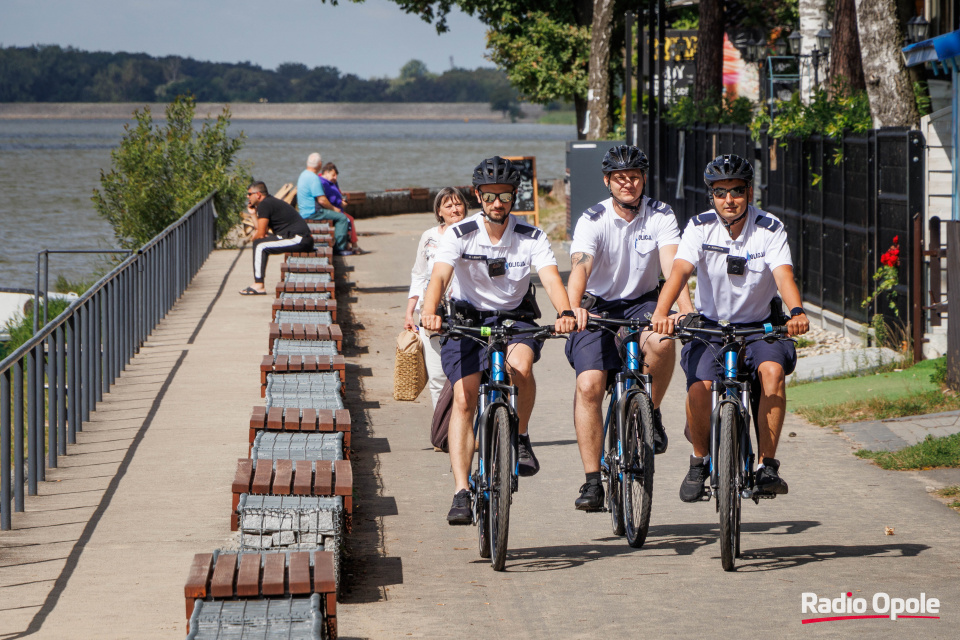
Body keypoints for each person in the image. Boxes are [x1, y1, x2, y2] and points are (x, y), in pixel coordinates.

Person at [420, 156, 577, 525]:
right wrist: (430, 313)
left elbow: (552, 278)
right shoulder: (460, 234)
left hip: (515, 318)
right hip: (467, 319)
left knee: (520, 367)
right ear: (478, 196)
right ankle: (461, 490)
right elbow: (440, 277)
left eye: (504, 196)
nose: (497, 204)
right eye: (489, 196)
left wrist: (566, 311)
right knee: (464, 397)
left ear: (514, 197)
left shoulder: (531, 236)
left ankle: (520, 436)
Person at [650, 154, 810, 501]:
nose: (729, 200)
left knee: (772, 373)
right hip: (711, 327)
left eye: (737, 191)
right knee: (699, 388)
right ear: (712, 196)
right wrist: (662, 312)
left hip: (760, 326)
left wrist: (796, 311)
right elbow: (679, 272)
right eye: (720, 192)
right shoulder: (699, 226)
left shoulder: (769, 227)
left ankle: (767, 466)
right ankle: (699, 461)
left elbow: (783, 275)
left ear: (749, 192)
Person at [565, 144, 695, 511]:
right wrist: (572, 308)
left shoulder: (660, 214)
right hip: (598, 308)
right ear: (608, 181)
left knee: (664, 341)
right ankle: (592, 482)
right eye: (620, 178)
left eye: (635, 176)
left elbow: (674, 267)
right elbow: (580, 268)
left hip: (644, 302)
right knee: (589, 385)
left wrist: (683, 310)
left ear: (643, 179)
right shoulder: (593, 219)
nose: (628, 184)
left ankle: (649, 411)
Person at [404, 187, 468, 408]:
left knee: (467, 377)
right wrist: (410, 311)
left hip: (466, 312)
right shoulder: (429, 237)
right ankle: (442, 436)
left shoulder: (474, 234)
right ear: (439, 211)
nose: (454, 209)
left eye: (458, 204)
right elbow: (419, 274)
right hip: (432, 314)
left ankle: (467, 432)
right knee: (438, 378)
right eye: (448, 205)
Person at [240, 181, 314, 295]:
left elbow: (260, 233)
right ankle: (258, 283)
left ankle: (259, 284)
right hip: (295, 238)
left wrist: (258, 236)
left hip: (299, 239)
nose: (247, 196)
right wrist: (253, 214)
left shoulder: (265, 204)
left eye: (249, 194)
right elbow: (261, 230)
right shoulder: (267, 203)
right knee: (260, 242)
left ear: (258, 194)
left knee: (260, 245)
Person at [296, 153, 352, 255]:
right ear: (319, 164)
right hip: (313, 212)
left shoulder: (303, 175)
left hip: (303, 211)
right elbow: (322, 200)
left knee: (337, 217)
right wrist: (335, 209)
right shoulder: (314, 178)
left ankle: (338, 243)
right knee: (342, 218)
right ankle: (339, 248)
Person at [319, 162, 360, 250]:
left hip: (335, 208)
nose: (335, 178)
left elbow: (336, 193)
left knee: (348, 219)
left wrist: (341, 200)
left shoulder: (332, 182)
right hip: (330, 210)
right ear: (326, 172)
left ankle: (350, 245)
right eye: (333, 175)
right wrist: (340, 202)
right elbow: (329, 199)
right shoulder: (323, 183)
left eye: (336, 175)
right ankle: (351, 245)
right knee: (348, 219)